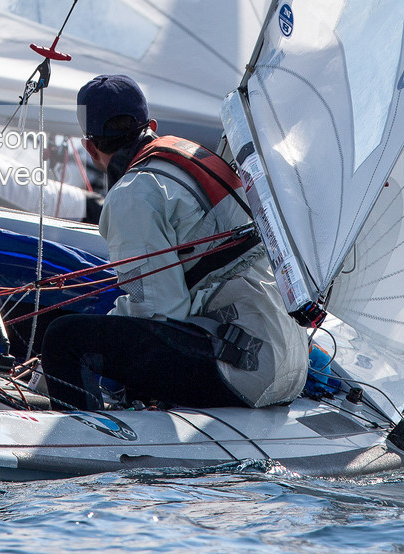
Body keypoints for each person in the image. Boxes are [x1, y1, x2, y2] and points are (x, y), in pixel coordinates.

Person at [40, 75, 307, 410]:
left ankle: (78, 444)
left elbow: (158, 313)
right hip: (289, 363)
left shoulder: (132, 195)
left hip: (247, 371)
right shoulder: (193, 156)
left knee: (64, 339)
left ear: (89, 147)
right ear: (151, 125)